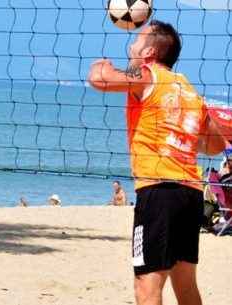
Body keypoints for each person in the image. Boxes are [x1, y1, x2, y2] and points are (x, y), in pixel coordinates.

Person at [88, 20, 227, 305]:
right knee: (186, 285)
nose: (131, 44)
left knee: (146, 285)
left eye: (137, 39)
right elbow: (215, 145)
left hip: (158, 191)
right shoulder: (188, 89)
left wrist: (99, 65)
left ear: (149, 52)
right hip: (190, 193)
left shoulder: (146, 74)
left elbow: (100, 80)